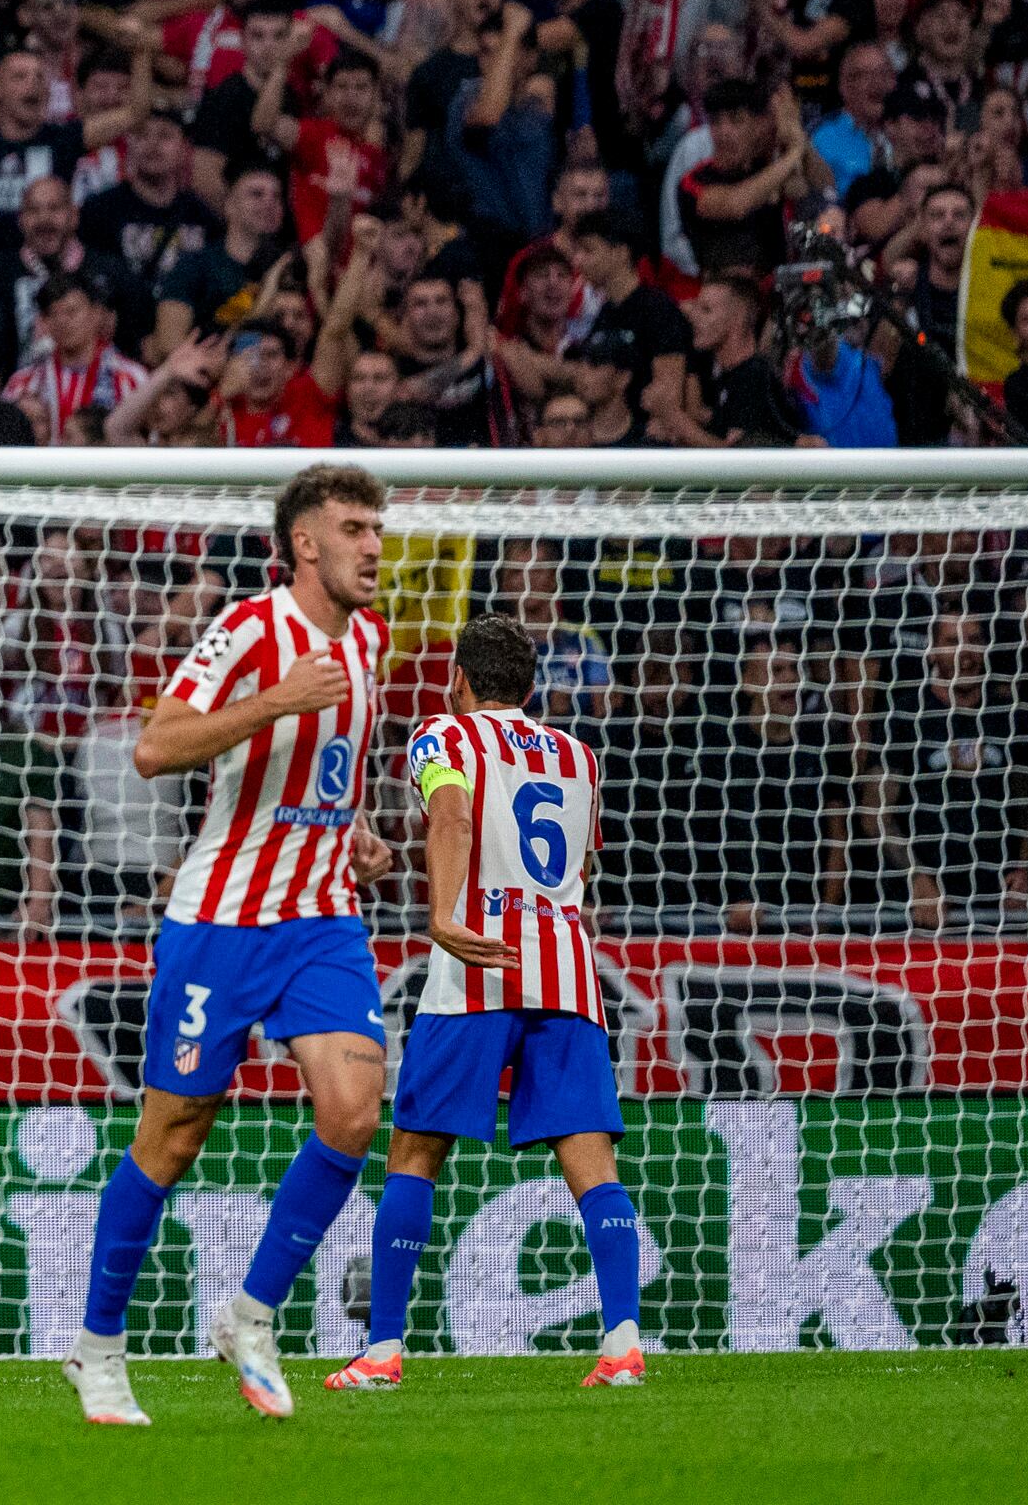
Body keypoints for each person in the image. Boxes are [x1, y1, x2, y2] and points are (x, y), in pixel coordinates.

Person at [67, 462, 398, 1429]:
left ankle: (250, 1314)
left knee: (352, 1110)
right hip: (220, 923)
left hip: (323, 919)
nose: (374, 545)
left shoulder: (370, 641)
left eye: (378, 528)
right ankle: (96, 1350)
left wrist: (356, 834)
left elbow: (330, 776)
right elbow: (156, 747)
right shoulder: (251, 632)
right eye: (353, 528)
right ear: (305, 543)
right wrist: (276, 701)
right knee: (171, 1139)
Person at [330, 615, 645, 1395]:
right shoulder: (579, 755)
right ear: (533, 688)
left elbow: (453, 814)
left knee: (416, 1156)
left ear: (459, 680)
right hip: (567, 968)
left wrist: (443, 915)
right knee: (594, 1166)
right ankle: (625, 1346)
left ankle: (383, 1351)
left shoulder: (445, 736)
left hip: (473, 968)